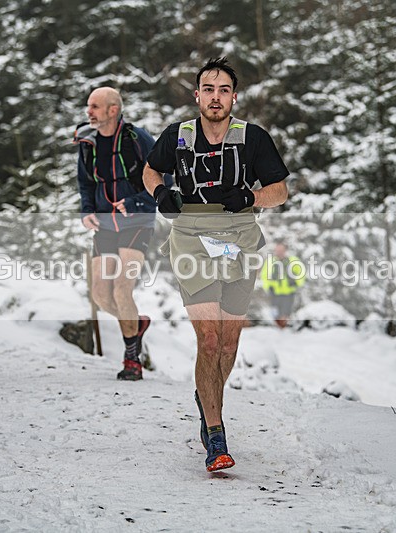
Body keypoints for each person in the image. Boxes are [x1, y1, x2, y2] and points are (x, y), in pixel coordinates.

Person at [142, 57, 289, 472]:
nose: (216, 97)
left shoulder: (253, 138)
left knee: (227, 344)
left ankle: (206, 396)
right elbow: (150, 171)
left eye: (224, 90)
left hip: (240, 240)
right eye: (209, 89)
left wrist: (251, 197)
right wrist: (160, 194)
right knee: (208, 340)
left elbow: (279, 190)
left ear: (234, 97)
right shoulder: (178, 136)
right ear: (197, 95)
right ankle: (216, 434)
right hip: (191, 239)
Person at [74, 87, 160, 381]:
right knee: (101, 295)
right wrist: (87, 210)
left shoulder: (137, 138)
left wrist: (136, 202)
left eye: (94, 107)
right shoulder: (88, 142)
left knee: (122, 290)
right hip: (105, 224)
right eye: (88, 106)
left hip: (137, 222)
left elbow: (164, 178)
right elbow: (85, 182)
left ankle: (132, 359)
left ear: (113, 110)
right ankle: (137, 323)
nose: (89, 112)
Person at [260, 241, 306, 328]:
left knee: (286, 312)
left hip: (289, 292)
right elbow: (264, 275)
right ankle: (278, 328)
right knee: (276, 313)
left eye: (281, 250)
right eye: (278, 250)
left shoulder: (293, 260)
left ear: (285, 251)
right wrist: (268, 287)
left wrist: (297, 283)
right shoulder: (270, 261)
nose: (279, 252)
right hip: (275, 292)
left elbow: (301, 273)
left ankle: (286, 327)